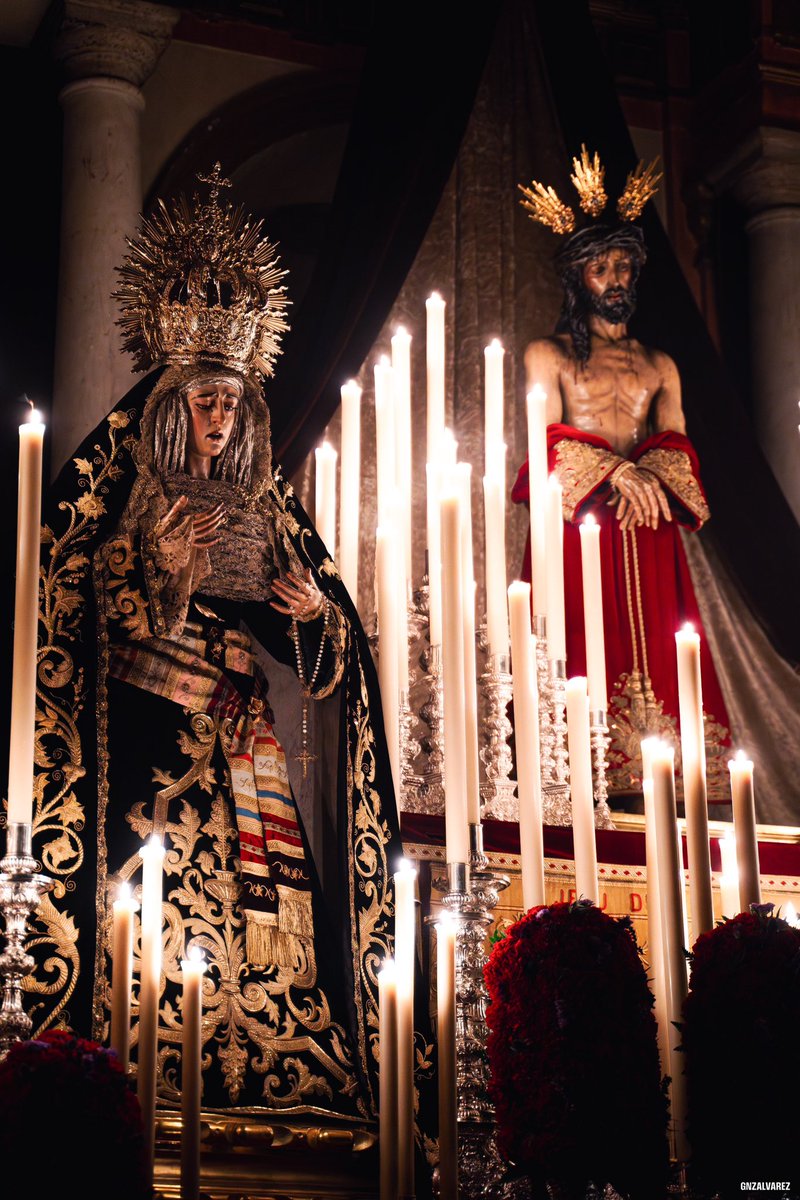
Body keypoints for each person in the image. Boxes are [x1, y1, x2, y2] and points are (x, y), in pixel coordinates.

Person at [26, 166, 418, 1123]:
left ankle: (288, 1081)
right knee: (157, 907)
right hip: (148, 737)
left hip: (245, 745)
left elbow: (320, 641)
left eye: (235, 405)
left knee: (267, 915)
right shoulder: (121, 492)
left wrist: (311, 616)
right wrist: (159, 569)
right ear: (172, 399)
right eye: (206, 400)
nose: (221, 417)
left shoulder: (258, 503)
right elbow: (64, 603)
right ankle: (140, 1076)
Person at [513, 154, 730, 802]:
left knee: (665, 655)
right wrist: (613, 469)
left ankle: (664, 780)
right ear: (577, 276)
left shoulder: (659, 364)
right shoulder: (547, 355)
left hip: (646, 526)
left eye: (625, 266)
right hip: (582, 521)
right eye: (601, 266)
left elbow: (679, 442)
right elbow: (541, 436)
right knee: (579, 646)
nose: (615, 278)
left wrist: (650, 476)